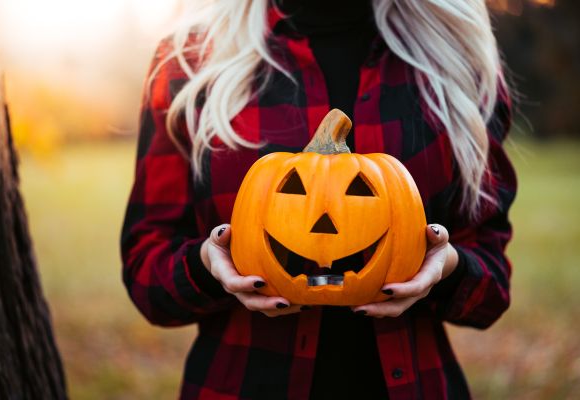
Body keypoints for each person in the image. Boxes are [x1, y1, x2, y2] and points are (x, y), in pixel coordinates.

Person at [121, 0, 517, 398]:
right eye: (292, 188)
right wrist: (209, 264)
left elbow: (492, 285)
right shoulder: (189, 60)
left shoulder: (455, 54)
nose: (324, 221)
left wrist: (445, 266)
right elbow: (146, 270)